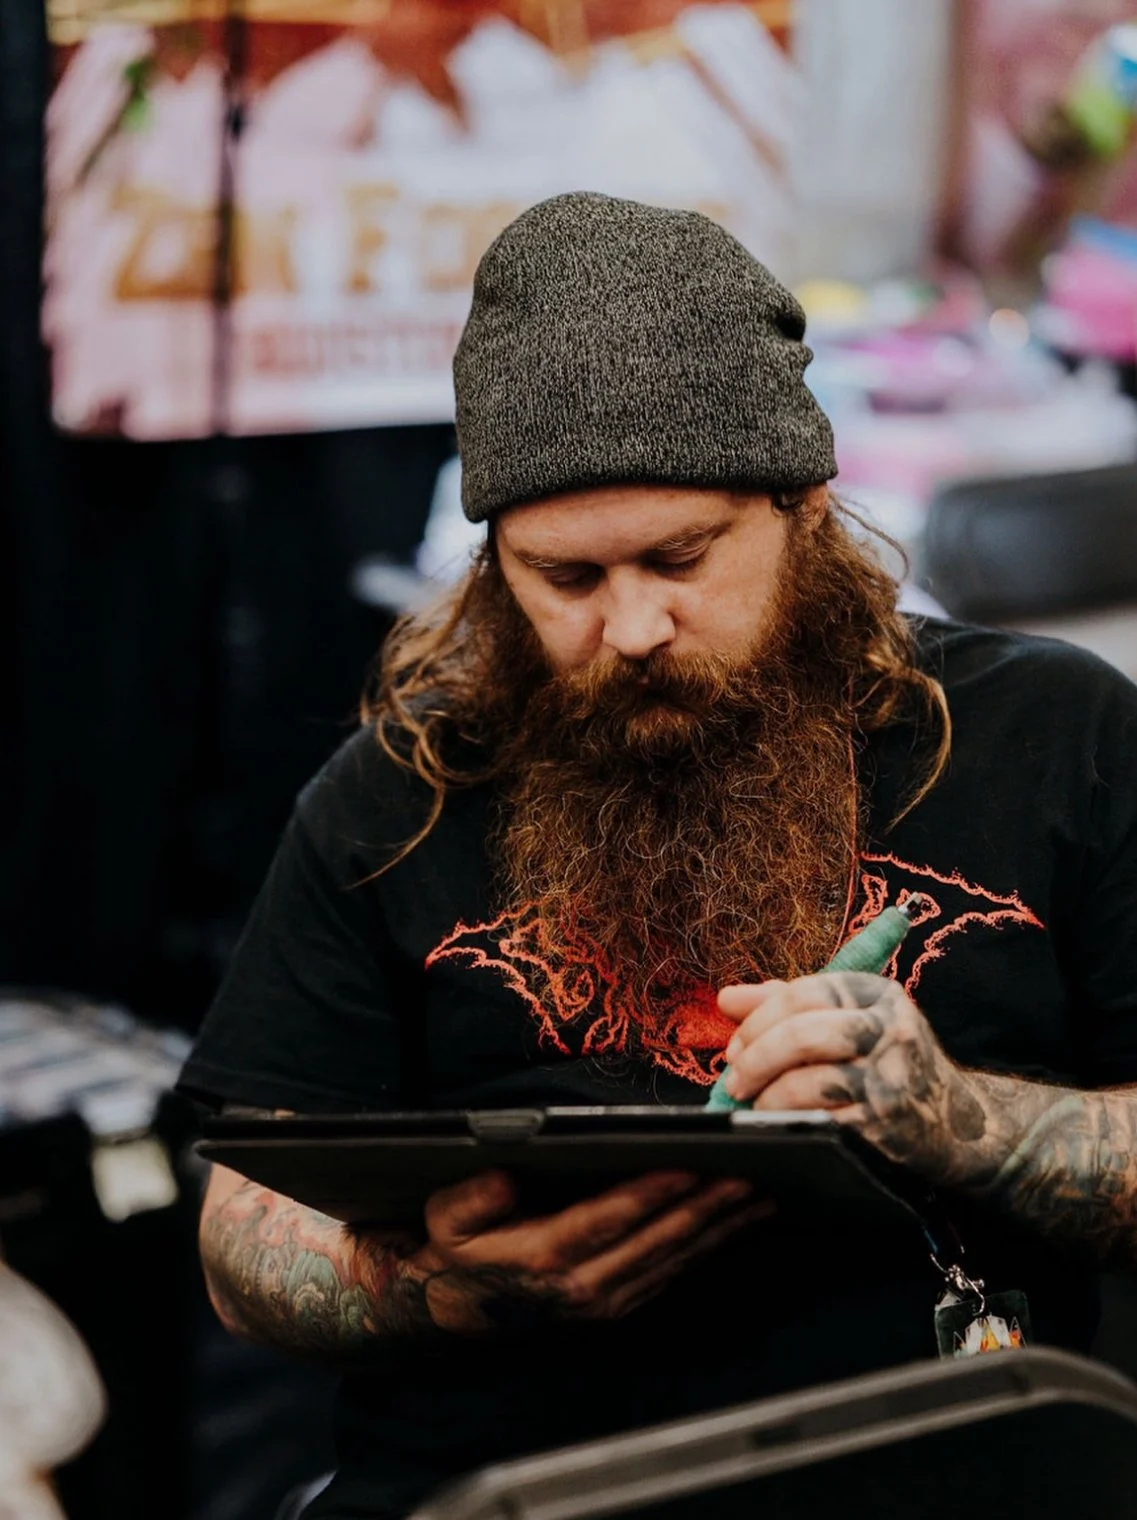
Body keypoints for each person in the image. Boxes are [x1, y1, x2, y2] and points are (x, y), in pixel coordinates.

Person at [178, 192, 1137, 1520]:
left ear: (803, 509)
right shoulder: (395, 797)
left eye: (681, 558)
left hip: (940, 1467)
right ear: (494, 564)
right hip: (511, 1485)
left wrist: (949, 1113)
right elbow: (240, 1229)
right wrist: (446, 1287)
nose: (631, 626)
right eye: (564, 579)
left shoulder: (1052, 735)